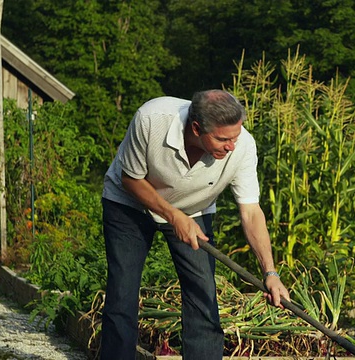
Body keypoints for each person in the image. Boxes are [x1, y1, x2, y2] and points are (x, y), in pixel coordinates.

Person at [100, 89, 290, 360]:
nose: (231, 146)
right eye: (223, 139)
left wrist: (270, 273)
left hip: (193, 210)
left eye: (235, 136)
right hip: (129, 204)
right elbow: (131, 179)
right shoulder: (152, 119)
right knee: (122, 292)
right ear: (197, 127)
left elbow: (251, 212)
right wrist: (173, 215)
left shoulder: (243, 146)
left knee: (203, 295)